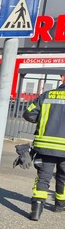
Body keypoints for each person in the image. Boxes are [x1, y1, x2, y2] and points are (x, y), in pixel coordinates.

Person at [22, 73, 65, 220]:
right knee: (63, 177)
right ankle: (60, 205)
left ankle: (36, 212)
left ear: (62, 78)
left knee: (43, 178)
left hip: (45, 146)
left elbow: (28, 114)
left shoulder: (46, 95)